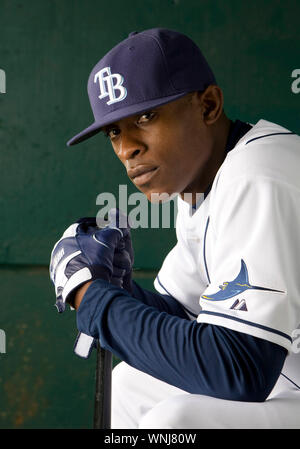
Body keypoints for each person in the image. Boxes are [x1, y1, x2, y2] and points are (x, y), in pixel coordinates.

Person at [50, 28, 300, 428]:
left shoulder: (258, 177)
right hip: (287, 382)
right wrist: (113, 287)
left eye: (146, 116)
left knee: (179, 421)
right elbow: (185, 316)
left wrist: (95, 301)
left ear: (208, 105)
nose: (126, 147)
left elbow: (240, 369)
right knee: (129, 387)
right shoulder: (203, 185)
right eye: (114, 130)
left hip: (277, 378)